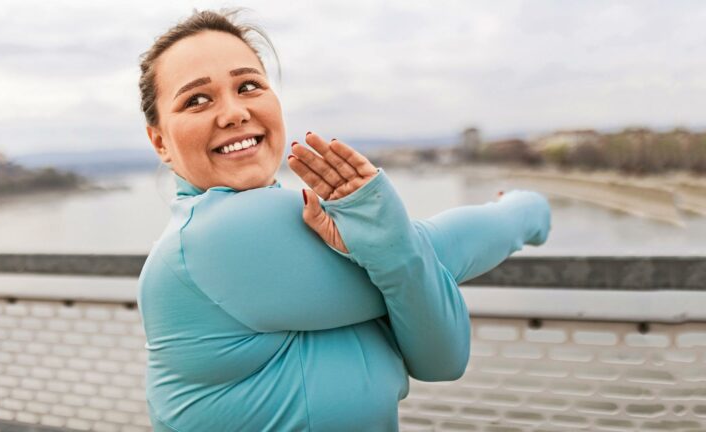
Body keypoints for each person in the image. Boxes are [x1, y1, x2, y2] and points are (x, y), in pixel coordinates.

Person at [136, 9, 551, 432]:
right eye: (197, 100)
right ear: (160, 142)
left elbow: (442, 358)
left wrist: (393, 247)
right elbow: (436, 251)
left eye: (248, 85)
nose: (234, 113)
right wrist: (526, 210)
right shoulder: (213, 235)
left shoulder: (296, 233)